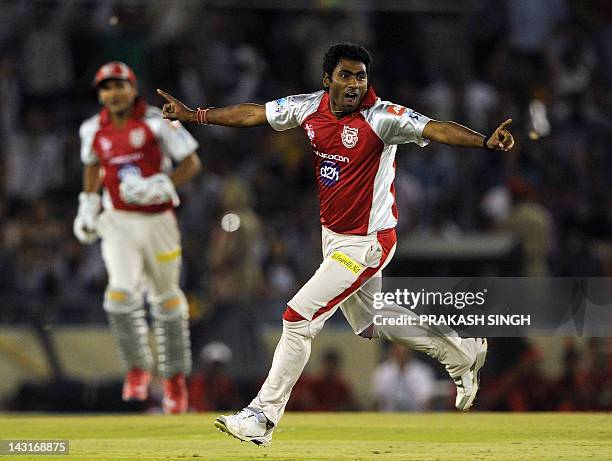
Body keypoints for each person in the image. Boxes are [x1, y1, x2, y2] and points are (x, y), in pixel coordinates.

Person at [158, 42, 514, 444]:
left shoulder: (383, 117)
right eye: (346, 75)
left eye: (361, 76)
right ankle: (462, 353)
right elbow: (254, 113)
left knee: (298, 317)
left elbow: (436, 127)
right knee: (373, 323)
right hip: (337, 240)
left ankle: (262, 416)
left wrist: (485, 141)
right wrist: (194, 115)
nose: (355, 84)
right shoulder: (309, 107)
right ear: (328, 79)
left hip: (368, 242)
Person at [73, 61, 201, 414]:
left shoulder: (158, 121)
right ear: (100, 94)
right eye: (106, 88)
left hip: (159, 222)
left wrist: (163, 184)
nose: (113, 94)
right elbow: (92, 164)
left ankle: (174, 379)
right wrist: (88, 204)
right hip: (118, 222)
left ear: (133, 89)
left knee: (167, 300)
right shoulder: (91, 129)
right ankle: (137, 368)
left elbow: (191, 163)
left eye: (119, 86)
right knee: (119, 295)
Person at [371, 344, 435, 412]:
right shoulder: (382, 372)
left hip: (415, 416)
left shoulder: (422, 372)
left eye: (405, 353)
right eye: (399, 353)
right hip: (389, 417)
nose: (402, 356)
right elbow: (376, 400)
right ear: (393, 352)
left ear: (410, 353)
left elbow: (427, 402)